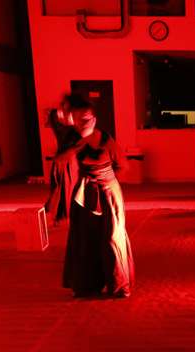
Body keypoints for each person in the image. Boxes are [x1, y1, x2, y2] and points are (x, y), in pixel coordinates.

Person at [61, 100, 135, 298]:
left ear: (94, 120)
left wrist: (106, 181)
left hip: (108, 193)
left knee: (111, 237)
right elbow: (61, 159)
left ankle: (118, 285)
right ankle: (87, 285)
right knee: (84, 238)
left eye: (85, 120)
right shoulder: (72, 139)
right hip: (84, 195)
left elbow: (123, 167)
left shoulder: (106, 141)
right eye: (77, 120)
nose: (81, 124)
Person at [44, 94, 82, 225]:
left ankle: (58, 215)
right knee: (61, 187)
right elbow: (66, 131)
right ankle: (55, 214)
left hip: (68, 158)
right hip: (64, 158)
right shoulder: (59, 118)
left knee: (66, 187)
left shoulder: (70, 120)